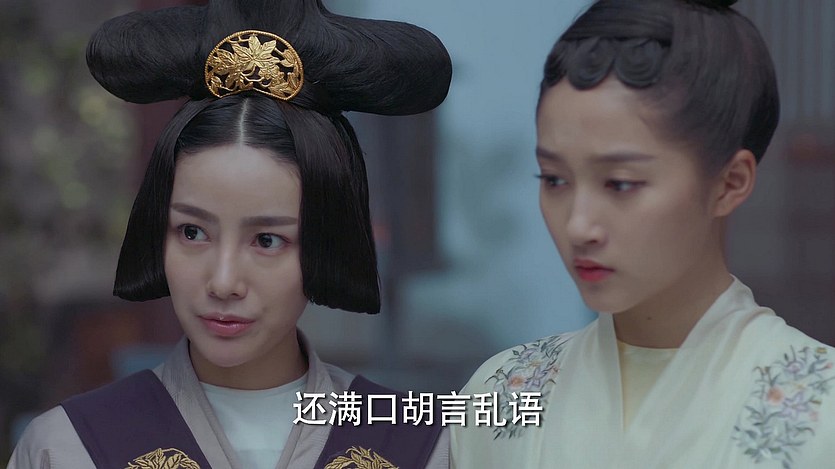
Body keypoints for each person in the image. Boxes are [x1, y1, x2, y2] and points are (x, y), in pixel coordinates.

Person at [9, 0, 451, 468]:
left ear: (325, 243)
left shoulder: (422, 447)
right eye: (192, 232)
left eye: (267, 240)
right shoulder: (68, 447)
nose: (223, 282)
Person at [451, 0, 835, 467]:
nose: (579, 226)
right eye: (554, 179)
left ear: (730, 183)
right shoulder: (502, 391)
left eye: (620, 183)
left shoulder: (822, 409)